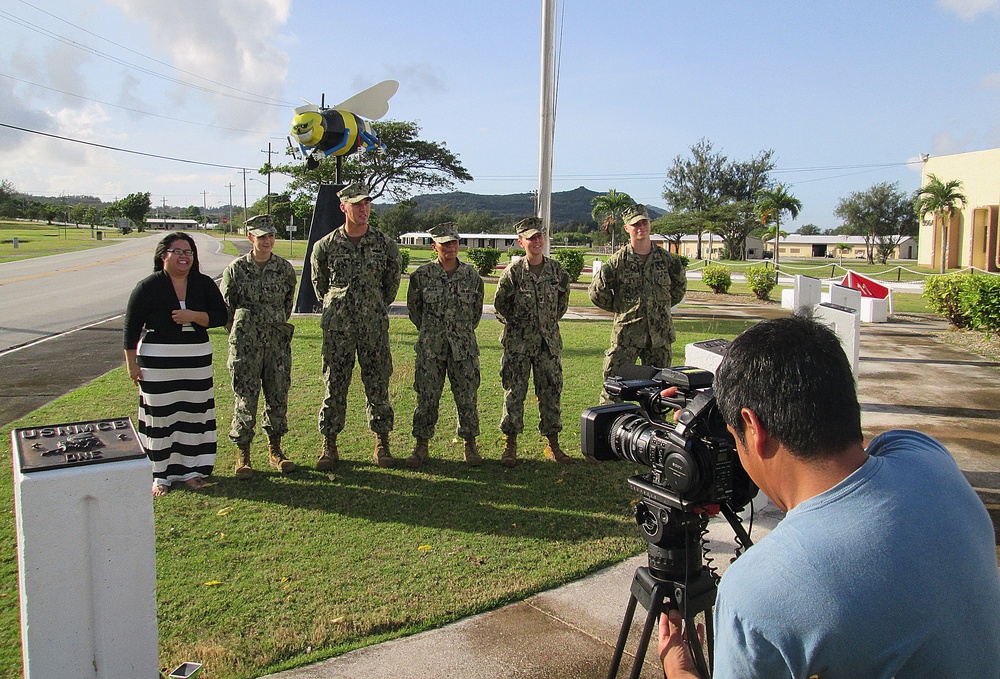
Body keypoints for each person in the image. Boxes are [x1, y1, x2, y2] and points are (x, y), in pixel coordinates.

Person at [658, 314, 1000, 679]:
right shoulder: (927, 457)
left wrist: (680, 671)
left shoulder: (756, 593)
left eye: (734, 436)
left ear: (754, 429)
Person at [124, 232, 228, 496]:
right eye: (178, 251)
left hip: (196, 360)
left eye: (189, 252)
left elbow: (220, 316)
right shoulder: (148, 286)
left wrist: (192, 316)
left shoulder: (203, 284)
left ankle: (193, 471)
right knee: (161, 418)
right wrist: (131, 364)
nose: (184, 257)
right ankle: (162, 474)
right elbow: (131, 327)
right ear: (163, 255)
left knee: (194, 415)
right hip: (158, 362)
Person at [311, 183, 402, 469]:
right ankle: (329, 444)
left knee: (378, 384)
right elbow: (320, 286)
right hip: (337, 328)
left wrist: (371, 305)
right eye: (357, 204)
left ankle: (382, 443)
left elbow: (391, 286)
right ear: (343, 208)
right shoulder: (324, 246)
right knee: (334, 384)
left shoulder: (385, 244)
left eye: (367, 204)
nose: (363, 209)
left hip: (373, 327)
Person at [221, 215, 298, 479]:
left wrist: (271, 324)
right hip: (246, 345)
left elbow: (287, 304)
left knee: (277, 396)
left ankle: (275, 450)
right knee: (246, 397)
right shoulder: (236, 269)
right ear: (250, 238)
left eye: (271, 236)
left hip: (276, 343)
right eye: (262, 236)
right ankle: (243, 455)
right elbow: (227, 308)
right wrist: (244, 331)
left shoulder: (284, 269)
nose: (267, 241)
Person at [493, 217, 573, 467]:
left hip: (547, 345)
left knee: (551, 393)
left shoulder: (557, 271)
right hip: (517, 345)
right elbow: (500, 305)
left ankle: (553, 444)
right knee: (514, 394)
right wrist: (519, 327)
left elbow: (561, 304)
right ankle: (510, 444)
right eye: (531, 238)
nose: (537, 241)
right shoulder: (513, 273)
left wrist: (545, 325)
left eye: (540, 236)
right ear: (521, 242)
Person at [589, 203, 686, 403]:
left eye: (644, 222)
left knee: (659, 394)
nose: (640, 227)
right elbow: (597, 292)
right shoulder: (617, 262)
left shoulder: (668, 261)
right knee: (613, 388)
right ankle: (609, 429)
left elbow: (678, 290)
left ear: (650, 224)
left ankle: (654, 430)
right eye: (635, 224)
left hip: (659, 337)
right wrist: (622, 308)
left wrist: (658, 308)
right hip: (627, 336)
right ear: (627, 229)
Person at [405, 222, 484, 468]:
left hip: (463, 348)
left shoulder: (471, 275)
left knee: (467, 398)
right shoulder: (421, 276)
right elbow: (415, 311)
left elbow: (476, 312)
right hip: (431, 348)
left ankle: (470, 445)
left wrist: (459, 332)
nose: (451, 247)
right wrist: (432, 332)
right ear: (434, 246)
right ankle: (421, 446)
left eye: (454, 242)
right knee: (427, 397)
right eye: (445, 243)